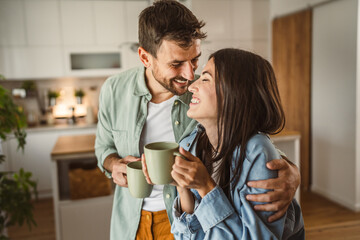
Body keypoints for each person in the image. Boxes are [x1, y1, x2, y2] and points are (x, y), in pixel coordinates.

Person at [95, 1, 300, 239]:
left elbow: (247, 140)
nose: (190, 76)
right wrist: (113, 164)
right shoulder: (114, 90)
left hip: (185, 220)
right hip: (133, 219)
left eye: (194, 60)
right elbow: (103, 148)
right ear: (145, 57)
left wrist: (292, 172)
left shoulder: (204, 99)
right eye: (176, 64)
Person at [162, 48, 305, 239]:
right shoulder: (191, 145)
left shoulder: (258, 152)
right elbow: (187, 236)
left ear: (234, 92)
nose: (191, 86)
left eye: (205, 79)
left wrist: (206, 187)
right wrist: (182, 187)